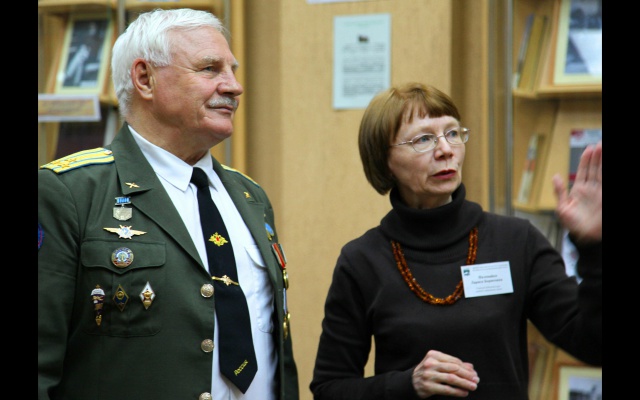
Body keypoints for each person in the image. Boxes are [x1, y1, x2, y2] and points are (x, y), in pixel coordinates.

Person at [38, 8, 299, 400]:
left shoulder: (250, 197)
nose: (234, 86)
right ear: (145, 78)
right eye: (210, 69)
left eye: (232, 70)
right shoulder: (71, 192)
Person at [310, 82, 601, 399]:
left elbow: (593, 343)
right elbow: (329, 388)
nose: (446, 149)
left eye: (452, 133)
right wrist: (407, 385)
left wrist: (594, 246)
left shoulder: (517, 241)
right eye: (424, 139)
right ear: (385, 160)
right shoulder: (362, 260)